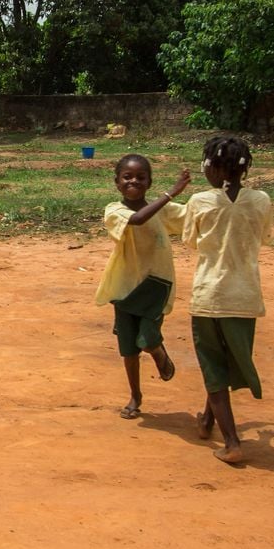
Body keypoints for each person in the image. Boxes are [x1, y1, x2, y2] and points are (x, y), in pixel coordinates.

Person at [183, 136, 272, 464]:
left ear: (215, 168)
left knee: (213, 365)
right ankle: (207, 420)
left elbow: (190, 242)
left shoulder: (200, 201)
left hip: (209, 295)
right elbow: (264, 236)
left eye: (205, 163)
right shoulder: (261, 200)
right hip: (245, 296)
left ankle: (232, 441)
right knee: (223, 361)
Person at [95, 154, 191, 420]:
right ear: (117, 183)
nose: (133, 181)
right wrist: (171, 193)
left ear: (149, 182)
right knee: (128, 348)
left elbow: (193, 216)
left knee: (147, 338)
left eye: (140, 177)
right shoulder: (114, 210)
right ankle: (135, 395)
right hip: (125, 286)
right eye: (127, 177)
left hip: (156, 284)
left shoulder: (163, 209)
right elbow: (137, 219)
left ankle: (157, 351)